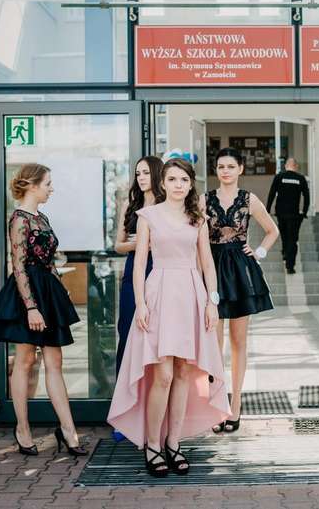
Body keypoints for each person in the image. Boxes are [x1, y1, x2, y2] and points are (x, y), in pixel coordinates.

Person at [108, 158, 229, 477]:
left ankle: (173, 443)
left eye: (184, 180)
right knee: (162, 374)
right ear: (163, 183)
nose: (178, 185)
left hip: (191, 294)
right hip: (159, 292)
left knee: (184, 372)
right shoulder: (148, 216)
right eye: (172, 179)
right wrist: (140, 303)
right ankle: (152, 445)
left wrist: (212, 302)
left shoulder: (198, 218)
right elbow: (139, 264)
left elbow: (207, 263)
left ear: (190, 184)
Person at [0, 163, 87, 457]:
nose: (51, 189)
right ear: (32, 185)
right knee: (25, 359)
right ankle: (23, 429)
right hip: (26, 294)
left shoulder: (41, 217)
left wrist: (59, 291)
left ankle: (68, 430)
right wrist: (31, 307)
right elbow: (18, 266)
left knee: (55, 361)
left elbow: (48, 262)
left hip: (47, 291)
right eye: (47, 184)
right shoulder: (19, 219)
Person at [204, 147, 279, 433]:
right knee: (213, 344)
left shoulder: (249, 199)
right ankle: (217, 405)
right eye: (221, 167)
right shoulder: (204, 199)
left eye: (230, 166)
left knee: (238, 342)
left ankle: (235, 405)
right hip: (212, 268)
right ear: (216, 170)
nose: (225, 171)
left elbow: (273, 230)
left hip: (239, 271)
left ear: (240, 169)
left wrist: (259, 252)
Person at [112, 156, 163, 442]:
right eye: (138, 173)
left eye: (146, 172)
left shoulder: (167, 205)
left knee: (157, 341)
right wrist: (140, 243)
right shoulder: (130, 206)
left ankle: (154, 411)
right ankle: (125, 413)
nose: (141, 177)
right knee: (128, 336)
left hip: (161, 272)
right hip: (134, 272)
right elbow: (118, 245)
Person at [267, 157, 310, 274]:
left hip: (281, 213)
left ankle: (285, 252)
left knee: (284, 235)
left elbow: (272, 193)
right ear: (296, 166)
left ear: (286, 166)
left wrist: (267, 210)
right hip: (294, 214)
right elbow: (306, 196)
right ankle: (290, 266)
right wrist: (304, 212)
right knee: (292, 239)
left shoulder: (279, 177)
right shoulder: (300, 178)